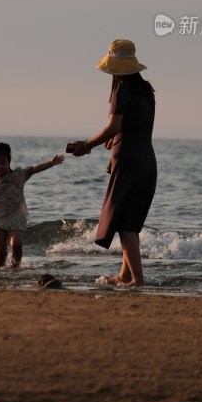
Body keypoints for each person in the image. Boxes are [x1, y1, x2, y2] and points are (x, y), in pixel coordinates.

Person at [69, 39, 157, 287]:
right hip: (147, 162)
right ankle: (125, 275)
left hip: (128, 162)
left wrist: (86, 145)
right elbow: (133, 127)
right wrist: (115, 138)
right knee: (129, 222)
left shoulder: (121, 90)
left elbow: (114, 126)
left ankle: (137, 280)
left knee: (125, 224)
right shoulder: (147, 90)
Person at [0, 142, 64, 268]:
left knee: (16, 245)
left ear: (9, 162)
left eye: (3, 163)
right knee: (1, 252)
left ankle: (15, 269)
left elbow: (33, 170)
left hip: (16, 217)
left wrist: (50, 163)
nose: (0, 166)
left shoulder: (18, 175)